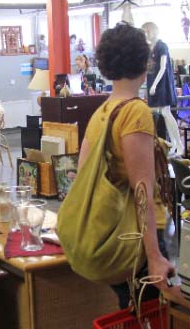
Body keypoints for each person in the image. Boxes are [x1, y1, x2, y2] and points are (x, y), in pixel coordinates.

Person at [77, 23, 178, 308]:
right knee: (155, 324)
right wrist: (155, 255)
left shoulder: (103, 111)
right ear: (145, 61)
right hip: (143, 240)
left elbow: (83, 174)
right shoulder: (135, 111)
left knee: (133, 315)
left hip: (116, 233)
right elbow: (142, 190)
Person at [142, 22, 182, 155]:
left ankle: (179, 145)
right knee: (164, 114)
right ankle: (174, 145)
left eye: (148, 31)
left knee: (166, 112)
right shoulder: (149, 48)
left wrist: (155, 84)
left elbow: (163, 67)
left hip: (162, 83)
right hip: (152, 81)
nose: (146, 34)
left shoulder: (162, 46)